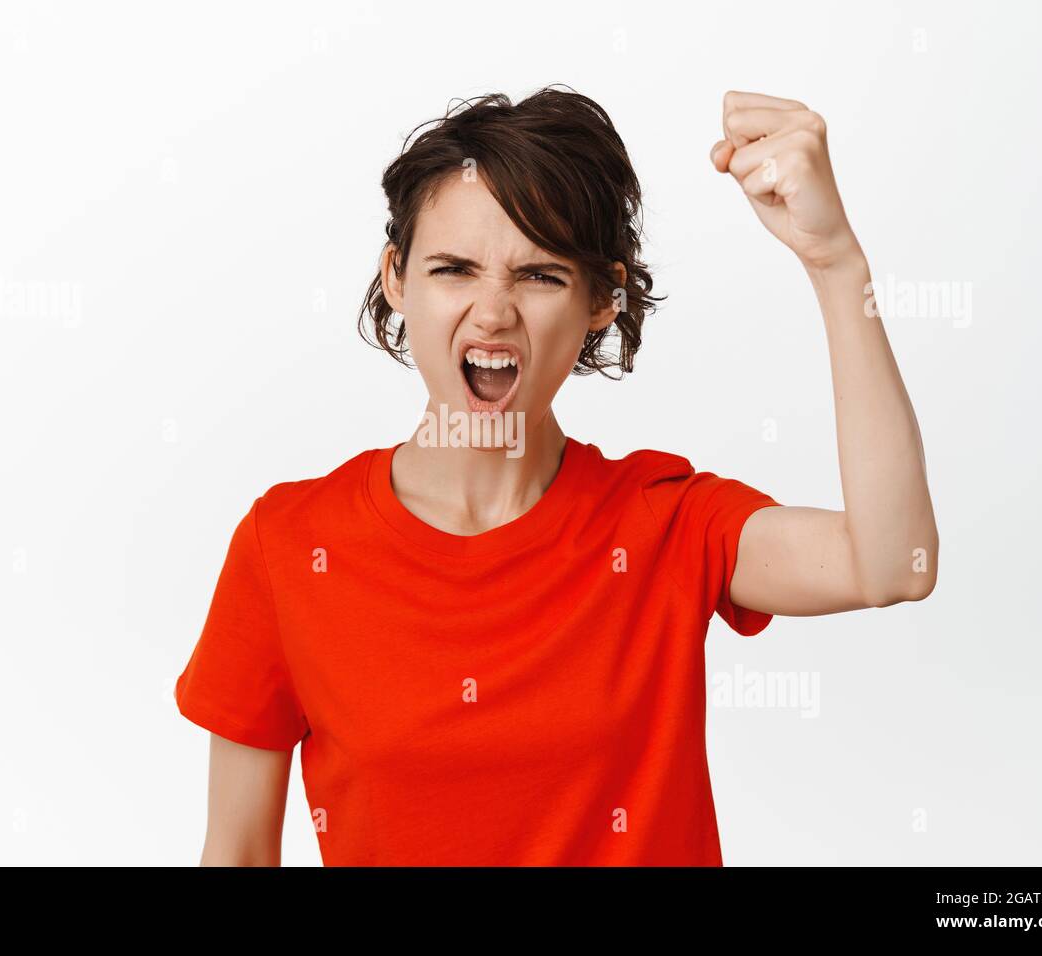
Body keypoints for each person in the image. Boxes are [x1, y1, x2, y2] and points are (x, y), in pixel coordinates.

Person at [174, 86, 939, 866]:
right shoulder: (289, 546)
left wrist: (836, 263)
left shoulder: (665, 525)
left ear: (602, 298)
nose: (493, 312)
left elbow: (890, 566)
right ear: (398, 279)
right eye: (453, 269)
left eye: (539, 276)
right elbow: (235, 852)